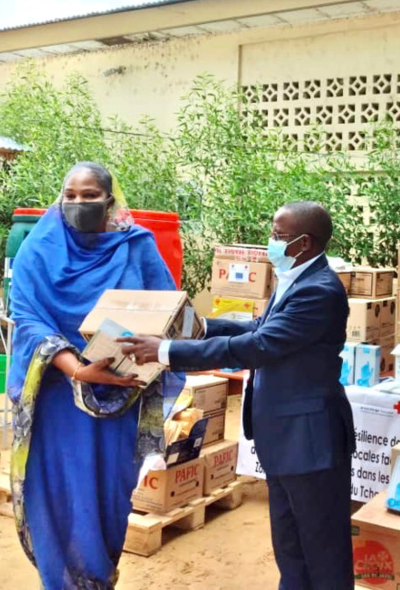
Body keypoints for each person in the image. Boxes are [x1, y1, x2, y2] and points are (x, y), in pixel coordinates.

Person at [121, 201, 355, 590]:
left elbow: (258, 345)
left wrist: (165, 351)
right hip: (285, 440)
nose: (271, 242)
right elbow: (255, 326)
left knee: (323, 550)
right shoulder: (295, 277)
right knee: (291, 545)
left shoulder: (320, 291)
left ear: (305, 243)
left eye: (279, 236)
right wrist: (201, 325)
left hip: (311, 443)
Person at [8, 162, 183, 589]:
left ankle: (97, 579)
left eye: (90, 195)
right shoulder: (40, 247)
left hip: (117, 399)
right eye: (70, 194)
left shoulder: (136, 246)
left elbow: (166, 313)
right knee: (57, 497)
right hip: (56, 399)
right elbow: (26, 316)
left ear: (110, 200)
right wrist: (77, 369)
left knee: (106, 499)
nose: (79, 203)